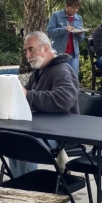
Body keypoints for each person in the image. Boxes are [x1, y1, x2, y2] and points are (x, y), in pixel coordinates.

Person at [7, 32, 79, 178]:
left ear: (45, 48)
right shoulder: (39, 72)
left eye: (31, 49)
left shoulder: (61, 69)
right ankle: (18, 185)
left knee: (24, 143)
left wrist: (27, 94)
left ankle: (28, 188)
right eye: (25, 51)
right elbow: (24, 95)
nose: (27, 55)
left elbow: (64, 99)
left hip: (61, 133)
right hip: (41, 128)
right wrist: (2, 93)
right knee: (10, 138)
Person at [46, 0, 84, 76]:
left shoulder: (79, 18)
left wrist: (80, 34)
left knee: (73, 78)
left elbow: (81, 39)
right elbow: (50, 32)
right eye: (73, 8)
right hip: (58, 53)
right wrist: (64, 29)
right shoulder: (56, 15)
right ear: (66, 6)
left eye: (77, 8)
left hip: (73, 54)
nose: (75, 10)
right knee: (58, 77)